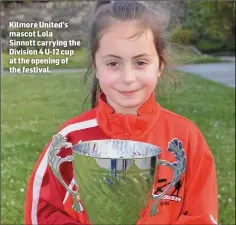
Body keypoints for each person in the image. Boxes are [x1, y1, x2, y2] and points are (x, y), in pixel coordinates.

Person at [24, 1, 218, 224]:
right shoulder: (69, 139)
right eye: (113, 63)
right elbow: (41, 211)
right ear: (96, 67)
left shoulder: (187, 138)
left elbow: (203, 217)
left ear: (160, 64)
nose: (128, 78)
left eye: (141, 62)